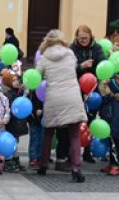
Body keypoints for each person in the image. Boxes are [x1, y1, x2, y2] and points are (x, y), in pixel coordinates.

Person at [35, 30, 88, 183]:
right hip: (72, 96)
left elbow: (37, 76)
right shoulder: (70, 54)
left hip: (54, 97)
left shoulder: (44, 57)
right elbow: (74, 68)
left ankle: (43, 165)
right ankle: (76, 168)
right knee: (74, 135)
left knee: (48, 133)